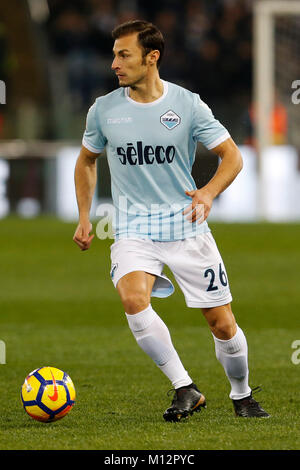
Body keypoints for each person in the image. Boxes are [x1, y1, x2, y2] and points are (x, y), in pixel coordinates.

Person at [73, 19, 269, 421]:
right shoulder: (104, 110)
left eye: (124, 54)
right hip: (132, 228)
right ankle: (185, 388)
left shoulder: (187, 105)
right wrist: (83, 217)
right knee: (132, 298)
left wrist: (209, 192)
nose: (114, 63)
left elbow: (232, 156)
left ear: (152, 57)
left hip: (186, 227)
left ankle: (242, 394)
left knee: (223, 324)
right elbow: (87, 161)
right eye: (114, 54)